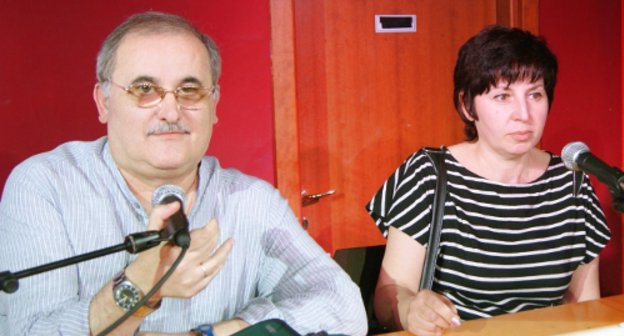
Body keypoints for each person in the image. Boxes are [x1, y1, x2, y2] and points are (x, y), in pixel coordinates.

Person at [0, 11, 367, 336]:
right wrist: (141, 288)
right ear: (104, 101)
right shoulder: (46, 186)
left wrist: (210, 334)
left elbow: (343, 309)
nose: (171, 111)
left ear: (214, 104)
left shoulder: (252, 201)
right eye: (145, 90)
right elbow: (29, 331)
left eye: (190, 90)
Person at [366, 25, 611, 336]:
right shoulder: (430, 174)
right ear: (468, 106)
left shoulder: (571, 183)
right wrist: (411, 309)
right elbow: (388, 298)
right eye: (502, 96)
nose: (523, 114)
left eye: (535, 94)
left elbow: (585, 308)